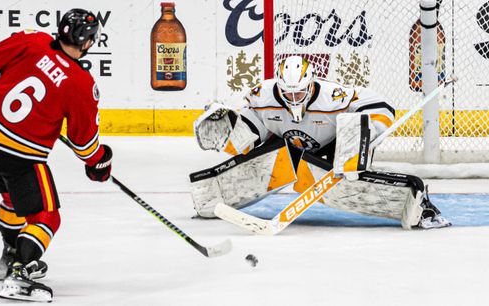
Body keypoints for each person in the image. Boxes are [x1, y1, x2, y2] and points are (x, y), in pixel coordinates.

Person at [191, 55, 451, 230]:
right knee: (275, 152)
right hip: (290, 150)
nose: (294, 98)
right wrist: (232, 128)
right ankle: (215, 196)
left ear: (311, 83)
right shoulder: (262, 94)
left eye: (300, 92)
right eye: (287, 93)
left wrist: (362, 137)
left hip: (333, 151)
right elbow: (253, 121)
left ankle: (419, 206)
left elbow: (383, 108)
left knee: (351, 133)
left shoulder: (334, 96)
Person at [0, 8, 112, 302]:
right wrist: (100, 161)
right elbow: (84, 145)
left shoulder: (32, 40)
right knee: (46, 217)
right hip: (18, 155)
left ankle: (10, 255)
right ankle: (19, 274)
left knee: (11, 199)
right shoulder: (81, 83)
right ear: (87, 43)